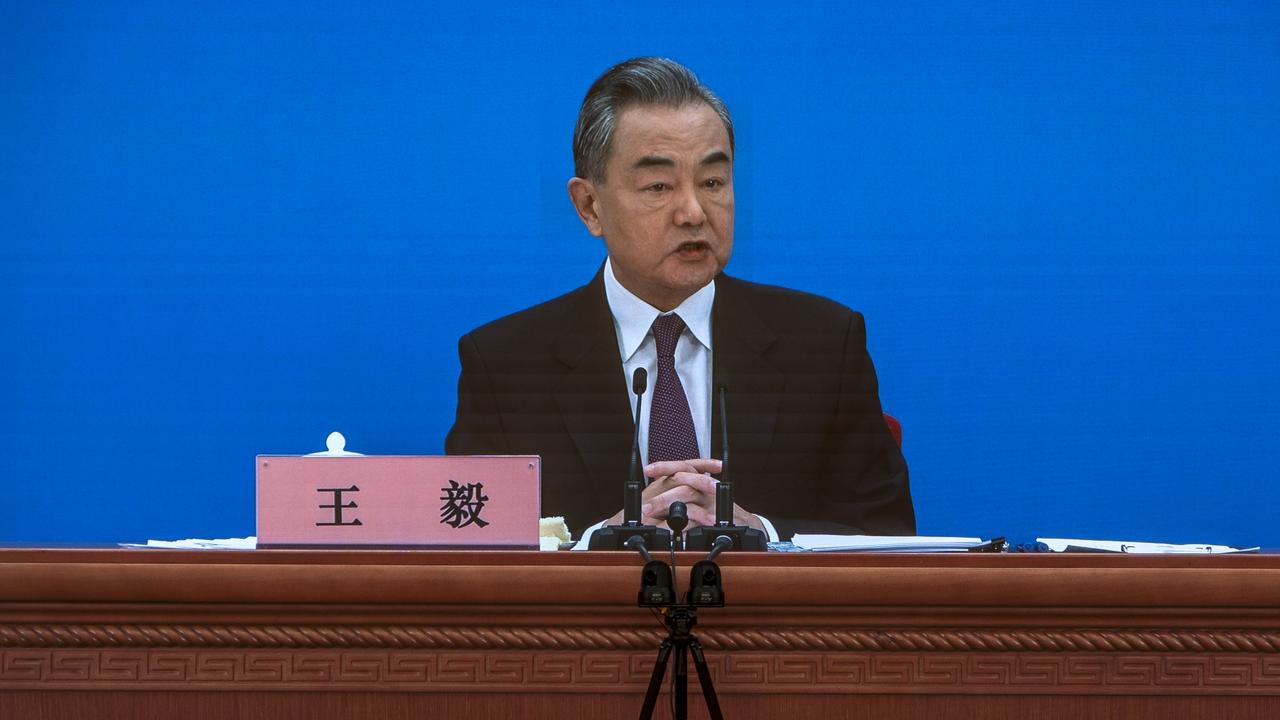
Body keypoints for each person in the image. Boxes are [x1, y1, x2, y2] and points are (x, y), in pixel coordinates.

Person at [446, 57, 915, 544]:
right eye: (659, 186)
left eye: (713, 182)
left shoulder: (823, 344)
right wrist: (596, 542)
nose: (693, 212)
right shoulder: (504, 366)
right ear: (590, 206)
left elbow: (888, 535)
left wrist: (764, 535)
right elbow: (472, 549)